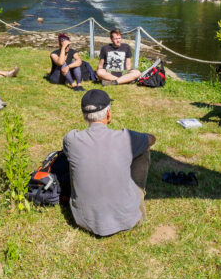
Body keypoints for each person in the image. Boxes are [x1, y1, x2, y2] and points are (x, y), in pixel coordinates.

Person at [63, 89, 156, 237]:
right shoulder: (126, 138)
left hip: (83, 220)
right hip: (127, 219)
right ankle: (139, 194)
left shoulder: (71, 139)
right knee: (144, 150)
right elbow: (151, 139)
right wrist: (138, 140)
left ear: (84, 115)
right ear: (108, 113)